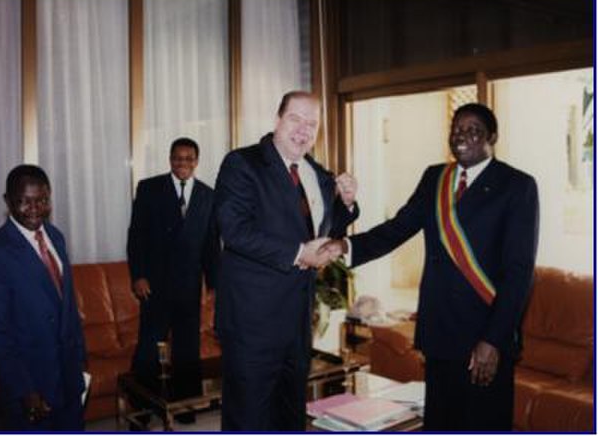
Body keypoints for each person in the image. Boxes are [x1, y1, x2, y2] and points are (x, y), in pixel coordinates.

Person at [321, 103, 540, 431]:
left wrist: (492, 340)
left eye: (473, 130)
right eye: (457, 129)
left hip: (484, 334)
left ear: (492, 137)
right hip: (440, 332)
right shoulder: (436, 177)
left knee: (484, 424)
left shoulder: (517, 185)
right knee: (440, 424)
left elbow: (519, 272)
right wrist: (346, 245)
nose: (462, 136)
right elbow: (398, 228)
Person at [214, 90, 359, 431]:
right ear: (277, 119)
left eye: (312, 123)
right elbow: (234, 230)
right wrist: (298, 254)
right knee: (248, 416)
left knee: (290, 414)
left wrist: (347, 204)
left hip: (297, 320)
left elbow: (323, 230)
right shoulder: (242, 163)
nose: (303, 130)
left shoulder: (320, 174)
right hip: (252, 321)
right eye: (295, 119)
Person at [0, 165, 87, 431]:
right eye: (24, 201)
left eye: (42, 200)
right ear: (7, 201)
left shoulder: (56, 237)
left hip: (69, 375)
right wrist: (24, 389)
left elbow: (67, 307)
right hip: (33, 384)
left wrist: (81, 359)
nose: (35, 208)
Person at [127, 137, 219, 423]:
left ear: (196, 162)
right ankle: (140, 409)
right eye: (177, 158)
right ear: (170, 160)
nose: (183, 163)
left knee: (188, 349)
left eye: (189, 159)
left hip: (189, 287)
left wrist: (213, 285)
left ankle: (185, 406)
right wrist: (138, 276)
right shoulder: (149, 188)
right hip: (154, 285)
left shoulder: (208, 195)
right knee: (147, 348)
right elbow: (136, 236)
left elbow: (211, 245)